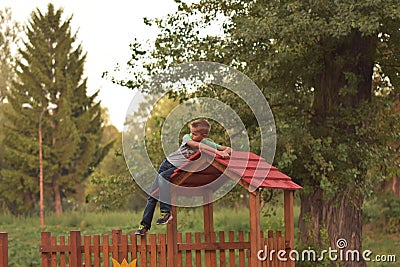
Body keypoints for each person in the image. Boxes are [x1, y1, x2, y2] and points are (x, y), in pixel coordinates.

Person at [135, 118, 232, 235]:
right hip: (167, 164)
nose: (191, 135)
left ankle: (165, 212)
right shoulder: (187, 138)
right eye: (191, 132)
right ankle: (144, 226)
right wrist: (218, 152)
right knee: (153, 195)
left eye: (195, 134)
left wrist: (226, 151)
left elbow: (226, 148)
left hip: (177, 168)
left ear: (204, 135)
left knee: (162, 180)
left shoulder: (207, 143)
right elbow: (196, 145)